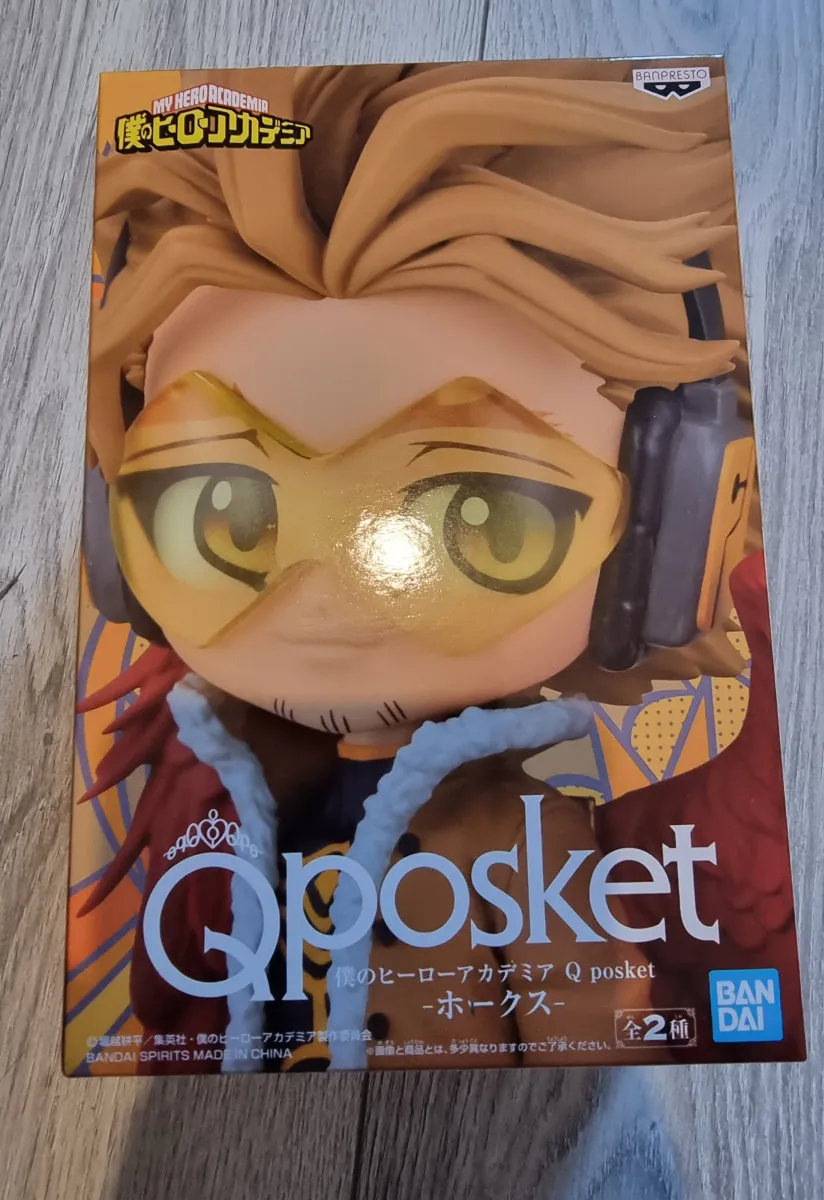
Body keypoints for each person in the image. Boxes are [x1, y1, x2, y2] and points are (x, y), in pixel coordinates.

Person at [78, 61, 757, 1073]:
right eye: (214, 513)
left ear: (685, 516)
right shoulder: (214, 801)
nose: (329, 601)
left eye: (481, 519)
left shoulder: (531, 843)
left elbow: (594, 1055)